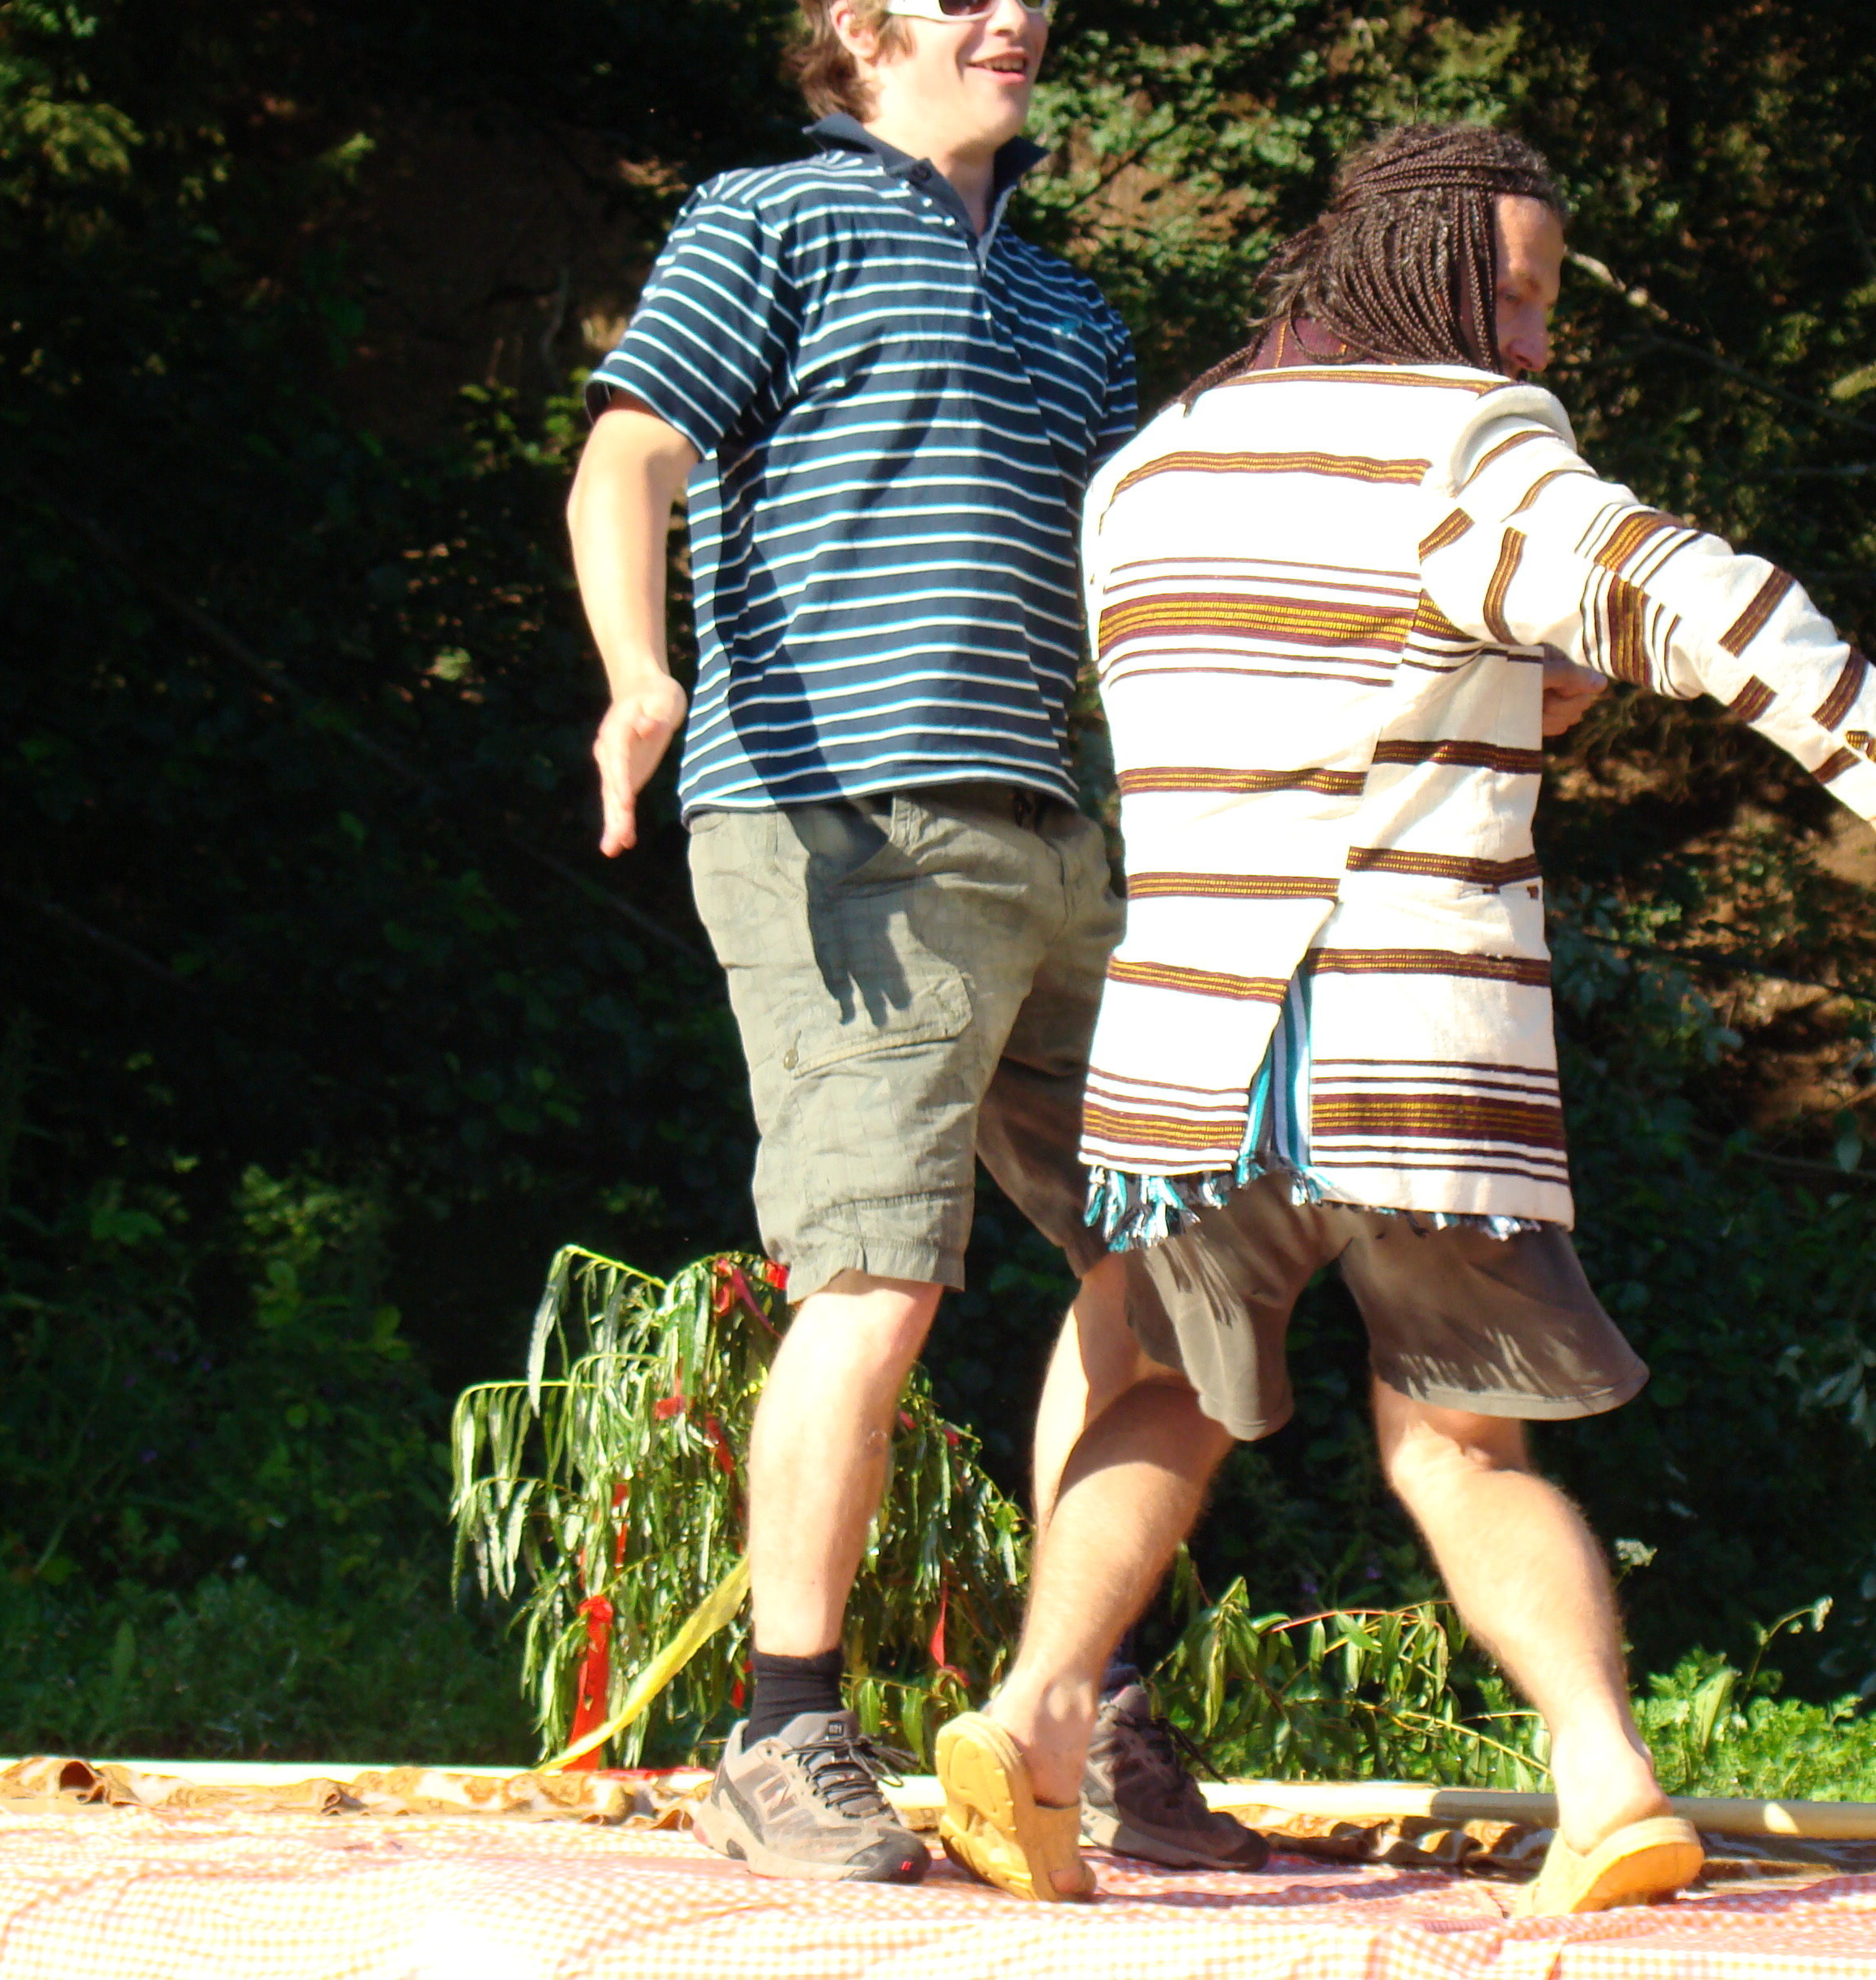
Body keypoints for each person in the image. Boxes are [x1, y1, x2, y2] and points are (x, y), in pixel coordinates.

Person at [929, 125, 1876, 1912]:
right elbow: (1679, 588)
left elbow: (1290, 678)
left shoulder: (1148, 468)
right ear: (1415, 273)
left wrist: (1512, 683)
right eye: (1514, 293)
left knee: (1158, 1387)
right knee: (1457, 1441)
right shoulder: (1466, 439)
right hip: (1406, 1045)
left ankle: (1036, 1723)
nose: (1536, 339)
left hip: (1189, 1058)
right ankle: (1607, 1779)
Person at [564, 0, 1265, 1883]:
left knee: (1178, 1249)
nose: (1013, 14)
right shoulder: (769, 216)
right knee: (877, 1268)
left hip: (1057, 836)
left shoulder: (1070, 308)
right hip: (844, 823)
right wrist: (640, 674)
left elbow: (1141, 592)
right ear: (854, 22)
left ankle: (1065, 1712)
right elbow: (629, 457)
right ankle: (783, 1731)